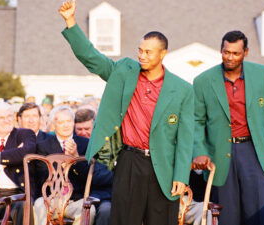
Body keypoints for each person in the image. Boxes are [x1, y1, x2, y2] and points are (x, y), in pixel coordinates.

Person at [59, 1, 194, 225]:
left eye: (148, 52)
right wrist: (70, 21)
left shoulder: (183, 89)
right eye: (140, 50)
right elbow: (91, 57)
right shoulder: (123, 71)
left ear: (163, 54)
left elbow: (186, 137)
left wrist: (181, 174)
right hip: (129, 161)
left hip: (165, 166)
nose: (142, 55)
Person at [193, 30, 264, 225]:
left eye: (235, 53)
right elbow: (196, 121)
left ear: (246, 52)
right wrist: (200, 151)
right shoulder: (202, 81)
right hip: (219, 154)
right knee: (226, 216)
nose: (230, 57)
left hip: (254, 151)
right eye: (226, 52)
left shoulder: (261, 74)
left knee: (257, 214)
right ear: (221, 50)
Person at [34, 106, 113, 225]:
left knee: (89, 210)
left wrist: (75, 158)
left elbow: (90, 178)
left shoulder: (86, 144)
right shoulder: (43, 146)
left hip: (77, 199)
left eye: (69, 121)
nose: (66, 125)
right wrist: (63, 162)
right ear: (53, 124)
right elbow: (42, 178)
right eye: (61, 122)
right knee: (39, 204)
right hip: (51, 198)